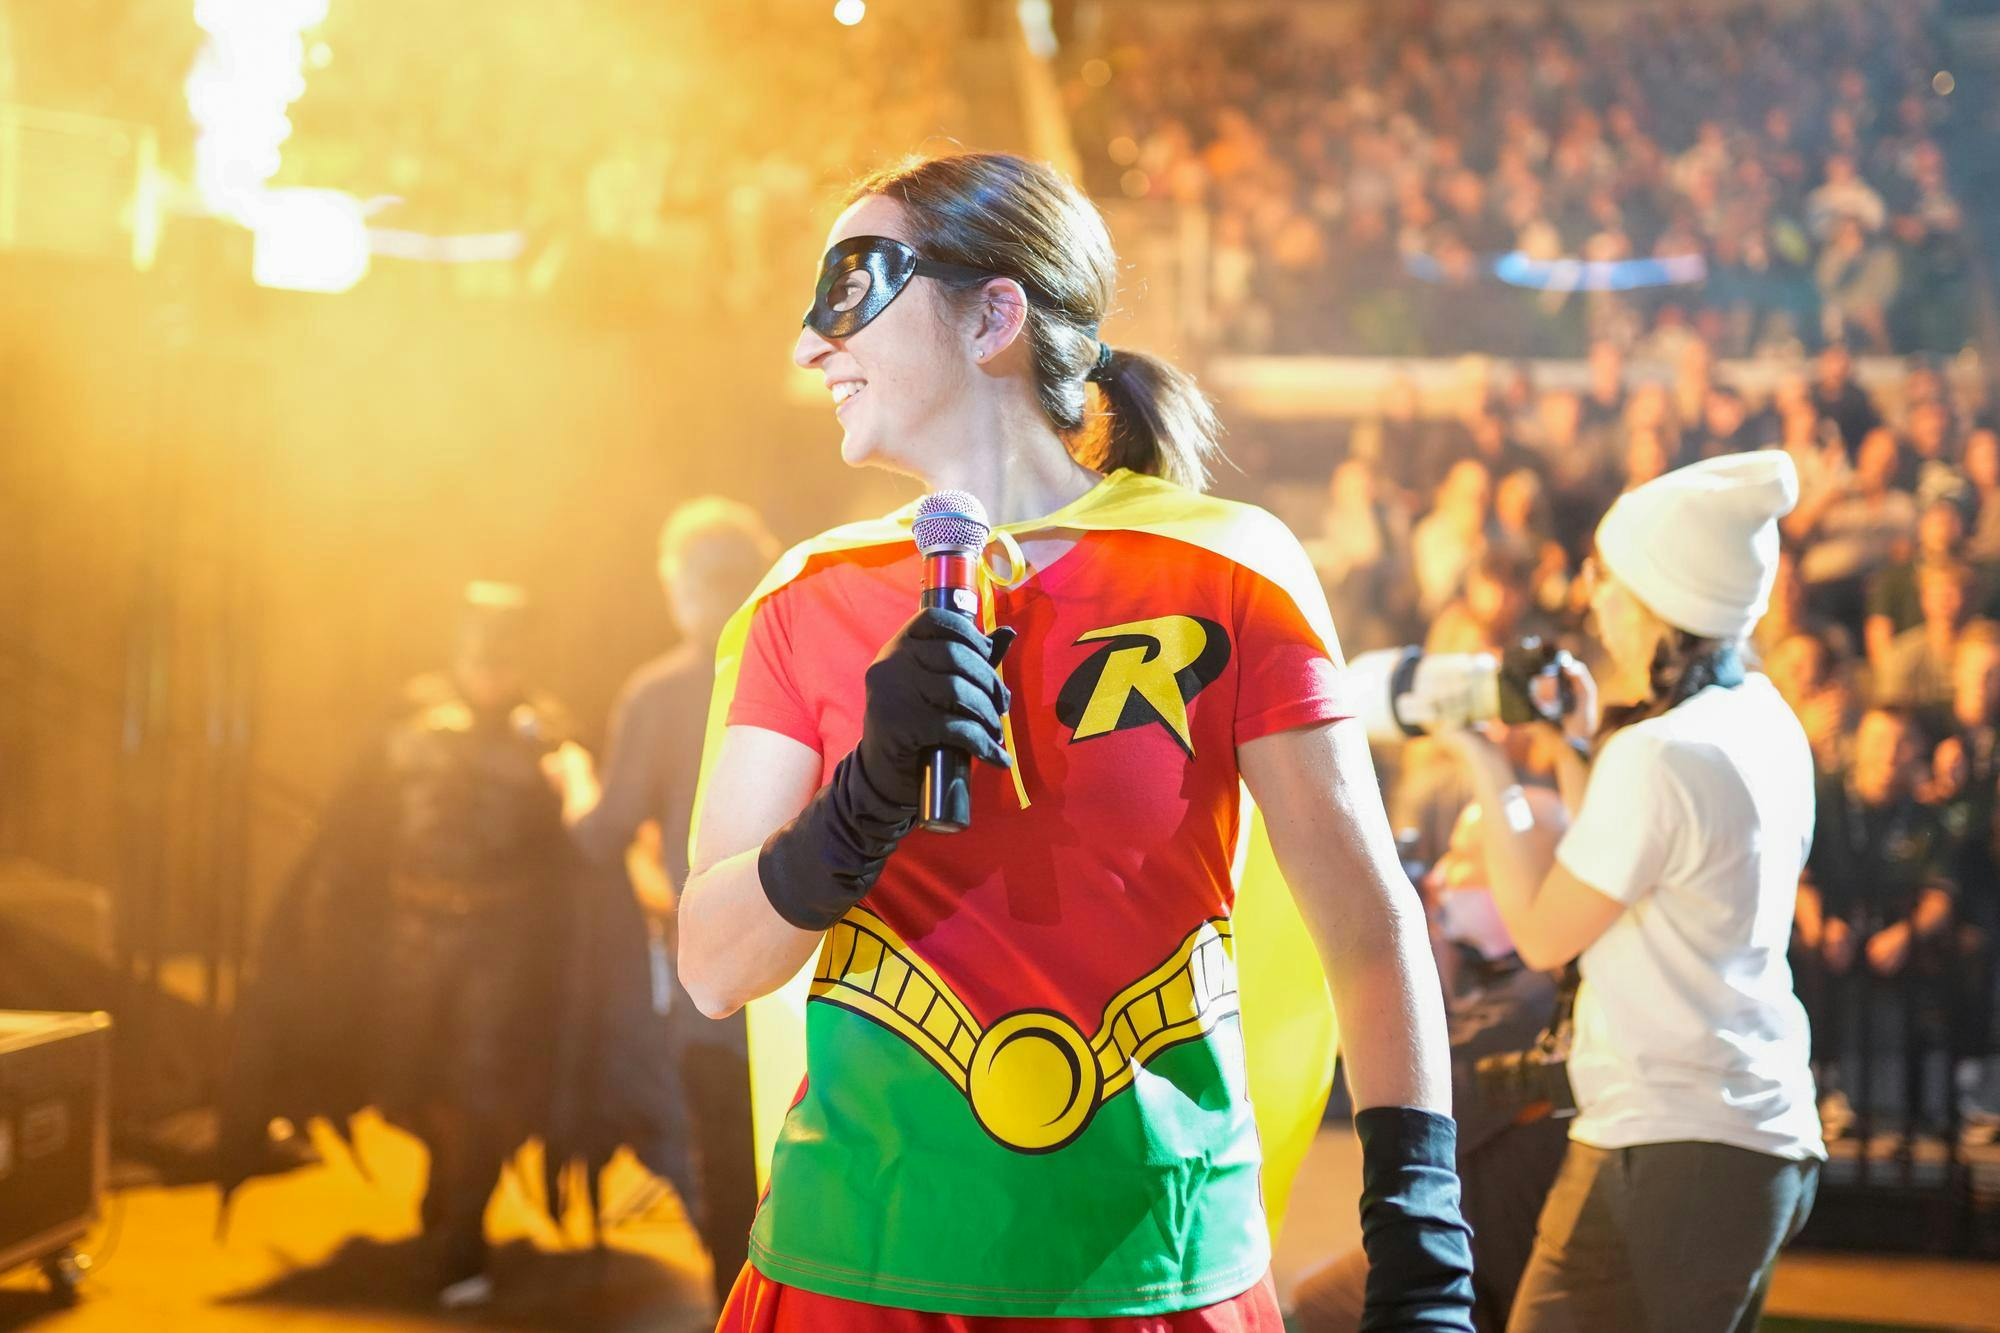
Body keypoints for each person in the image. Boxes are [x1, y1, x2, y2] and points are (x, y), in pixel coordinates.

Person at [681, 151, 1473, 1330]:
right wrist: (863, 799)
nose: (809, 346)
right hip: (855, 1267)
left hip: (1156, 1270)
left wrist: (1421, 1247)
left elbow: (1362, 922)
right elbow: (712, 965)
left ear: (994, 314)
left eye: (852, 289)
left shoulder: (1225, 567)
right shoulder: (805, 599)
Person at [218, 585, 686, 1307]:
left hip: (504, 947)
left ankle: (463, 1227)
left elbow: (576, 847)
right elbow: (355, 829)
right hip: (409, 941)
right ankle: (449, 1186)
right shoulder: (409, 721)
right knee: (408, 1081)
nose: (491, 666)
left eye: (505, 650)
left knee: (485, 1084)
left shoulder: (547, 735)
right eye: (479, 649)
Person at [1440, 453, 1824, 1331]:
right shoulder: (1762, 718)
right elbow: (1621, 870)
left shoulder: (1661, 754)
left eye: (1605, 575)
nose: (1591, 595)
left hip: (1670, 1143)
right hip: (1738, 1132)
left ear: (1659, 597)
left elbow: (1542, 933)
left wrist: (1484, 761)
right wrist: (1581, 750)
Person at [542, 497, 780, 1308]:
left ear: (682, 585)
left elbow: (601, 833)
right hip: (815, 979)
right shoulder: (807, 659)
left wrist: (571, 774)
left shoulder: (663, 690)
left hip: (713, 984)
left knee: (724, 1175)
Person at [1291, 796, 1572, 1333]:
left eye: (1464, 856)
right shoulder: (1507, 976)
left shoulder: (1537, 996)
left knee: (1316, 1310)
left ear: (1521, 866)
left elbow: (1418, 1109)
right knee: (1315, 1303)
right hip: (1467, 1251)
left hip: (1488, 1279)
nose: (1442, 875)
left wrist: (1406, 952)